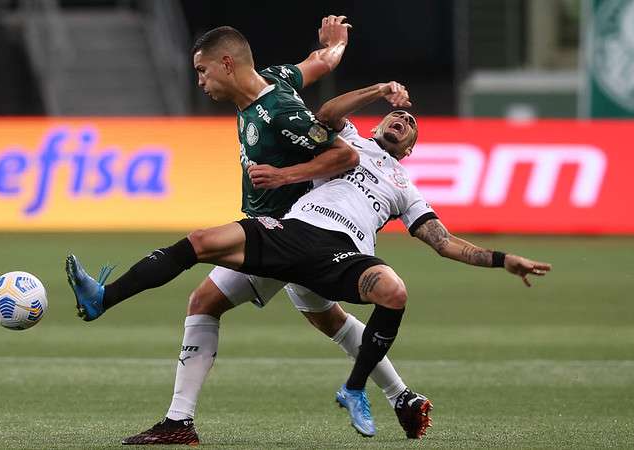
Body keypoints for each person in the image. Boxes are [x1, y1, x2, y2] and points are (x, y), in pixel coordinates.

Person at [66, 84, 553, 440]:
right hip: (292, 232)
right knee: (204, 283)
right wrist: (380, 90)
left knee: (353, 315)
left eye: (410, 128)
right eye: (396, 117)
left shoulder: (405, 188)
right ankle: (168, 404)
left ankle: (386, 393)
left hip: (340, 255)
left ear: (410, 149)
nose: (402, 122)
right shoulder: (347, 141)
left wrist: (503, 259)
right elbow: (326, 111)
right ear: (379, 123)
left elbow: (445, 242)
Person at [72, 17, 428, 445]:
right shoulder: (274, 79)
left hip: (288, 234)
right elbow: (317, 63)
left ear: (226, 64)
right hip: (304, 237)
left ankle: (176, 418)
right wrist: (335, 47)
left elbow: (344, 156)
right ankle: (403, 397)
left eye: (202, 71)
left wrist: (282, 176)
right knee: (329, 318)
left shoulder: (280, 112)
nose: (200, 81)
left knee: (203, 296)